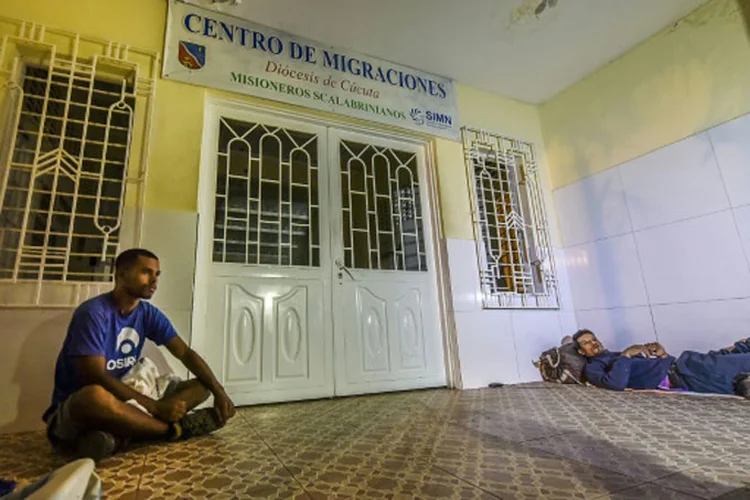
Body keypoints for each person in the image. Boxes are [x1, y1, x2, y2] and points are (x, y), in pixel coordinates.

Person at [43, 248, 236, 461]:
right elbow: (94, 375)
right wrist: (154, 406)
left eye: (157, 274)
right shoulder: (93, 313)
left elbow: (185, 353)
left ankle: (119, 437)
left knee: (202, 386)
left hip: (130, 396)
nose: (154, 280)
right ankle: (171, 431)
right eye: (146, 272)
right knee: (94, 396)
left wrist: (219, 391)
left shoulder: (147, 313)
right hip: (82, 407)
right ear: (121, 274)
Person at [573, 329, 750, 396]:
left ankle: (744, 381)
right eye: (587, 343)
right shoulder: (593, 367)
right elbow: (615, 384)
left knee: (732, 352)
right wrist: (626, 355)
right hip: (683, 375)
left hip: (683, 365)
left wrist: (662, 355)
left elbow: (651, 367)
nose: (594, 343)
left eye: (594, 339)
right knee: (731, 362)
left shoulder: (613, 355)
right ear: (581, 352)